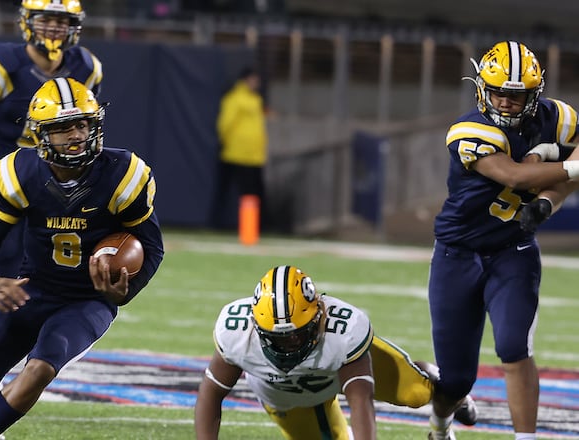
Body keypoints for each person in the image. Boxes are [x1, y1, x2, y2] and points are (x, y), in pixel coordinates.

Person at [0, 77, 164, 440]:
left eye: (82, 124)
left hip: (86, 300)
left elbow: (153, 247)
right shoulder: (20, 172)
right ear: (41, 134)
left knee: (41, 368)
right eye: (63, 127)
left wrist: (124, 291)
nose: (76, 135)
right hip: (31, 291)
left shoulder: (123, 174)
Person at [428, 40, 579, 440]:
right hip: (457, 254)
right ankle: (440, 425)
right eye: (498, 93)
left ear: (534, 94)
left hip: (514, 249)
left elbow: (573, 157)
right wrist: (564, 167)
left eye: (517, 95)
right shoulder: (469, 130)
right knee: (455, 379)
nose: (507, 102)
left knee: (515, 348)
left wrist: (548, 200)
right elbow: (515, 176)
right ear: (482, 88)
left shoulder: (556, 117)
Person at [194, 265, 477, 440]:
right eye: (278, 338)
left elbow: (361, 401)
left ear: (319, 316)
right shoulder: (237, 334)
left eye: (297, 333)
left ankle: (442, 384)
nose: (290, 344)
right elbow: (211, 393)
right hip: (287, 398)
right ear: (256, 326)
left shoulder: (343, 333)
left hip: (340, 368)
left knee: (416, 393)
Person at [0, 0, 102, 280]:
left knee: (51, 277)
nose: (54, 27)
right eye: (45, 19)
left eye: (62, 21)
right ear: (27, 21)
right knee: (3, 274)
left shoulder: (87, 68)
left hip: (51, 187)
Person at [211, 66, 267, 230]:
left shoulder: (256, 100)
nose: (256, 83)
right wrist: (226, 142)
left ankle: (252, 227)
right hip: (235, 153)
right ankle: (219, 223)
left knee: (251, 193)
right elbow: (225, 124)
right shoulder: (234, 99)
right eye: (254, 79)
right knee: (231, 190)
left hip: (253, 155)